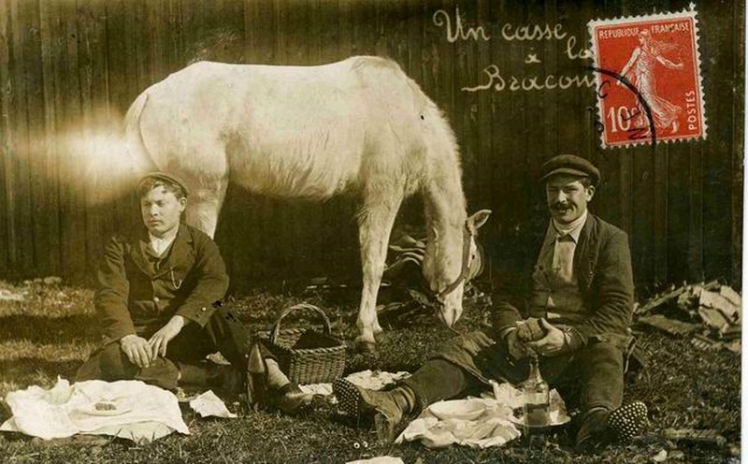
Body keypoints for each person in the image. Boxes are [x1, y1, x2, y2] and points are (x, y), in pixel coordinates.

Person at [333, 154, 648, 450]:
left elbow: (617, 309)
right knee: (466, 347)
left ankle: (596, 425)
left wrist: (567, 338)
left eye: (570, 190)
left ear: (589, 193)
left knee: (607, 350)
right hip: (526, 345)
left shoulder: (610, 239)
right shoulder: (529, 236)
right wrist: (512, 334)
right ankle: (393, 402)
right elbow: (506, 296)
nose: (561, 199)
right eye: (553, 190)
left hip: (578, 346)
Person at [75, 172, 313, 413]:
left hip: (189, 331)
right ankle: (210, 375)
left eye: (161, 203)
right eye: (146, 204)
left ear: (181, 205)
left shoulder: (201, 243)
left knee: (222, 311)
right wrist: (128, 337)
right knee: (109, 361)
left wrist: (177, 322)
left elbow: (215, 282)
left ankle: (277, 380)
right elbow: (109, 293)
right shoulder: (121, 244)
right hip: (144, 338)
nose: (153, 211)